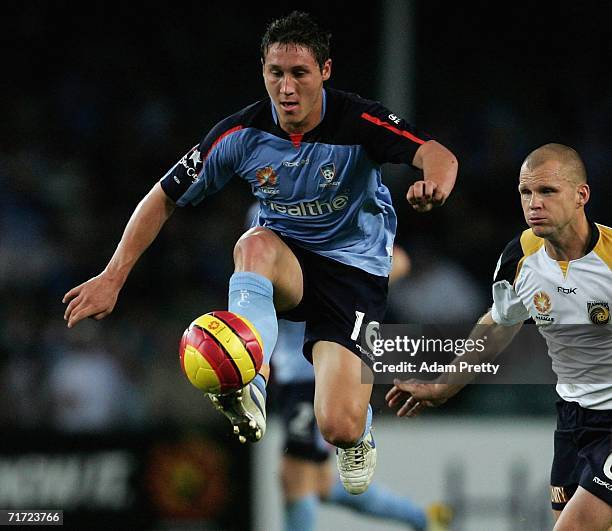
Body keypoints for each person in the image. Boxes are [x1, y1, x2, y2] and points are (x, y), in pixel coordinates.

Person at [63, 11, 458, 495]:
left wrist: (435, 185)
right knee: (253, 243)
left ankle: (359, 435)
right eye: (276, 73)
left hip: (354, 269)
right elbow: (163, 195)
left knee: (337, 425)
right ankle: (249, 379)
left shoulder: (360, 121)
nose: (286, 87)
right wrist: (113, 275)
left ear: (325, 72)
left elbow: (436, 154)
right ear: (263, 72)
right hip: (287, 256)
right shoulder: (240, 134)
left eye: (299, 74)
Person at [386, 143, 612, 530]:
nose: (534, 203)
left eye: (547, 191)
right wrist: (444, 386)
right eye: (526, 192)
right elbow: (499, 324)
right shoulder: (520, 257)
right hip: (573, 421)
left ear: (581, 195)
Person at [273, 246, 452, 531]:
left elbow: (400, 261)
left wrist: (345, 290)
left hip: (318, 369)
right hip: (290, 370)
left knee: (296, 477)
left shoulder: (326, 213)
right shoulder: (261, 216)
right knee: (318, 482)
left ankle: (422, 519)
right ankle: (423, 519)